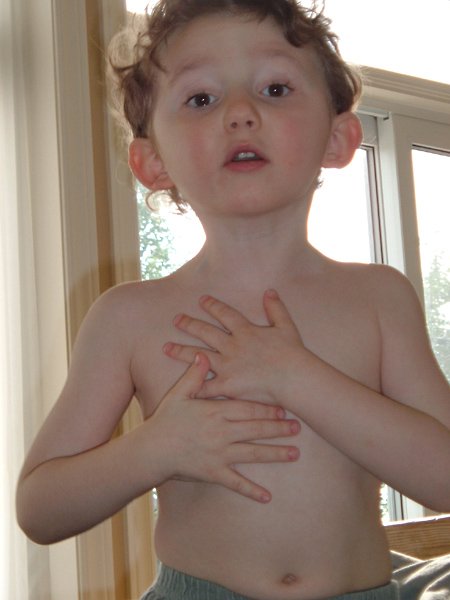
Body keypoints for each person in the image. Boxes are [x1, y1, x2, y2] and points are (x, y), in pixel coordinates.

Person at [16, 1, 450, 599]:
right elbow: (39, 508)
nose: (241, 113)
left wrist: (297, 378)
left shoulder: (379, 298)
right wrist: (155, 449)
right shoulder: (127, 317)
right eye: (201, 98)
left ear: (339, 137)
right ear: (152, 162)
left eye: (275, 89)